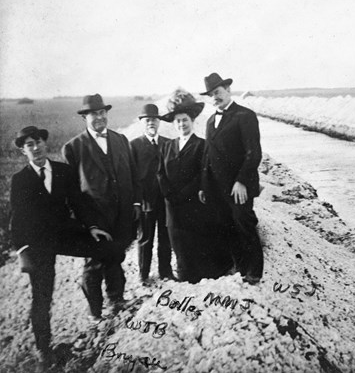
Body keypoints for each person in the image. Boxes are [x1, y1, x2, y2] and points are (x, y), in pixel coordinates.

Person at [9, 126, 121, 370]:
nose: (36, 148)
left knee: (109, 249)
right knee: (42, 295)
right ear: (22, 150)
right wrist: (22, 250)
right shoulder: (20, 180)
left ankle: (102, 311)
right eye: (29, 145)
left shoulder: (63, 171)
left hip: (66, 233)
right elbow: (16, 219)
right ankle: (43, 349)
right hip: (39, 242)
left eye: (38, 142)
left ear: (45, 144)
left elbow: (79, 202)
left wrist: (92, 226)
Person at [62, 94, 142, 318]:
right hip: (95, 217)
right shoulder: (73, 148)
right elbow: (72, 192)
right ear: (84, 117)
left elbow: (133, 174)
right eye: (93, 114)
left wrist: (135, 202)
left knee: (116, 256)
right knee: (95, 263)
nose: (99, 117)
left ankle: (116, 300)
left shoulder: (120, 140)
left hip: (122, 212)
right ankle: (95, 312)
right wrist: (87, 223)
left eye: (101, 112)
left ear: (106, 113)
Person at [158, 89, 232, 283]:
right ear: (173, 124)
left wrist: (183, 193)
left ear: (192, 121)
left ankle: (202, 280)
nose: (181, 124)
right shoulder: (166, 146)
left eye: (185, 120)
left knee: (197, 242)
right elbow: (160, 173)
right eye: (178, 121)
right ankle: (184, 278)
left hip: (194, 204)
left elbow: (202, 173)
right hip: (172, 206)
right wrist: (169, 194)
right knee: (179, 244)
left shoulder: (202, 145)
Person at [199, 72, 264, 284]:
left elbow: (253, 152)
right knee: (227, 228)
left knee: (244, 225)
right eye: (210, 95)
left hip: (239, 187)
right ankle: (240, 269)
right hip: (217, 188)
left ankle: (254, 272)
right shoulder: (210, 121)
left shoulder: (245, 115)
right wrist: (204, 186)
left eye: (217, 92)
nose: (215, 97)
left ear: (228, 90)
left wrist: (242, 181)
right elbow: (208, 156)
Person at [130, 104, 174, 283]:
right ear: (142, 122)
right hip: (146, 201)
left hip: (164, 201)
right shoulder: (134, 145)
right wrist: (137, 201)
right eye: (147, 120)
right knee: (145, 238)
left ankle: (165, 271)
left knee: (165, 238)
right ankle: (143, 274)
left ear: (159, 122)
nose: (151, 123)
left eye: (155, 120)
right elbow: (132, 176)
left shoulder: (168, 143)